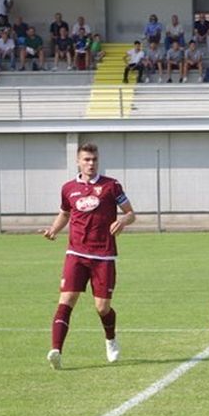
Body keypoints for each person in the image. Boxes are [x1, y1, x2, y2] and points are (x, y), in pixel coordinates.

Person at [41, 142, 135, 370]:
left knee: (102, 308)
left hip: (104, 255)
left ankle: (110, 339)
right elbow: (65, 213)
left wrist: (123, 220)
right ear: (78, 161)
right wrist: (54, 229)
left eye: (94, 160)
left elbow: (131, 213)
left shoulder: (111, 186)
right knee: (66, 300)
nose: (91, 164)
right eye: (86, 159)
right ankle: (56, 351)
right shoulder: (68, 188)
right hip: (76, 253)